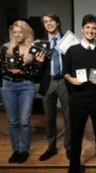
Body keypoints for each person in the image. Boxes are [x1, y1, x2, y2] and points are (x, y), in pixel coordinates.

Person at [63, 14, 96, 173]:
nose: (91, 31)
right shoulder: (72, 50)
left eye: (94, 28)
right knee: (76, 137)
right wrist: (70, 79)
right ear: (82, 28)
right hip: (78, 98)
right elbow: (65, 72)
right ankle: (74, 168)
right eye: (88, 28)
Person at [0, 20, 44, 163]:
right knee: (12, 122)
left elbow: (35, 72)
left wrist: (22, 70)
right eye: (15, 32)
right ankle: (15, 151)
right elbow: (1, 69)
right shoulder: (5, 48)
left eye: (20, 32)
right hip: (8, 85)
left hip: (26, 86)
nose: (18, 35)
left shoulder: (33, 49)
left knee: (24, 121)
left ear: (26, 33)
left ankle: (24, 151)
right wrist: (7, 69)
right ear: (11, 34)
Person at [38, 13, 71, 161]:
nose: (49, 24)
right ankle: (51, 147)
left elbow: (75, 61)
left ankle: (69, 147)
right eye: (45, 22)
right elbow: (36, 69)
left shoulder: (68, 40)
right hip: (48, 82)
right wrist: (38, 62)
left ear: (57, 22)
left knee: (69, 116)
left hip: (65, 81)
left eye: (51, 20)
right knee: (49, 117)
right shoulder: (40, 42)